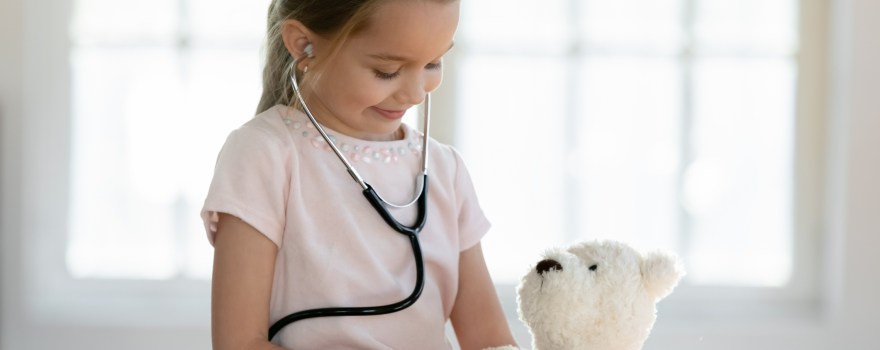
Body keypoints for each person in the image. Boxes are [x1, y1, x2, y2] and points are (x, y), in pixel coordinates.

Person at [203, 0, 517, 349]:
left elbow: (491, 341)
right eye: (387, 71)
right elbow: (238, 343)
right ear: (303, 45)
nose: (416, 93)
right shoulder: (265, 154)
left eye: (433, 63)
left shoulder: (446, 170)